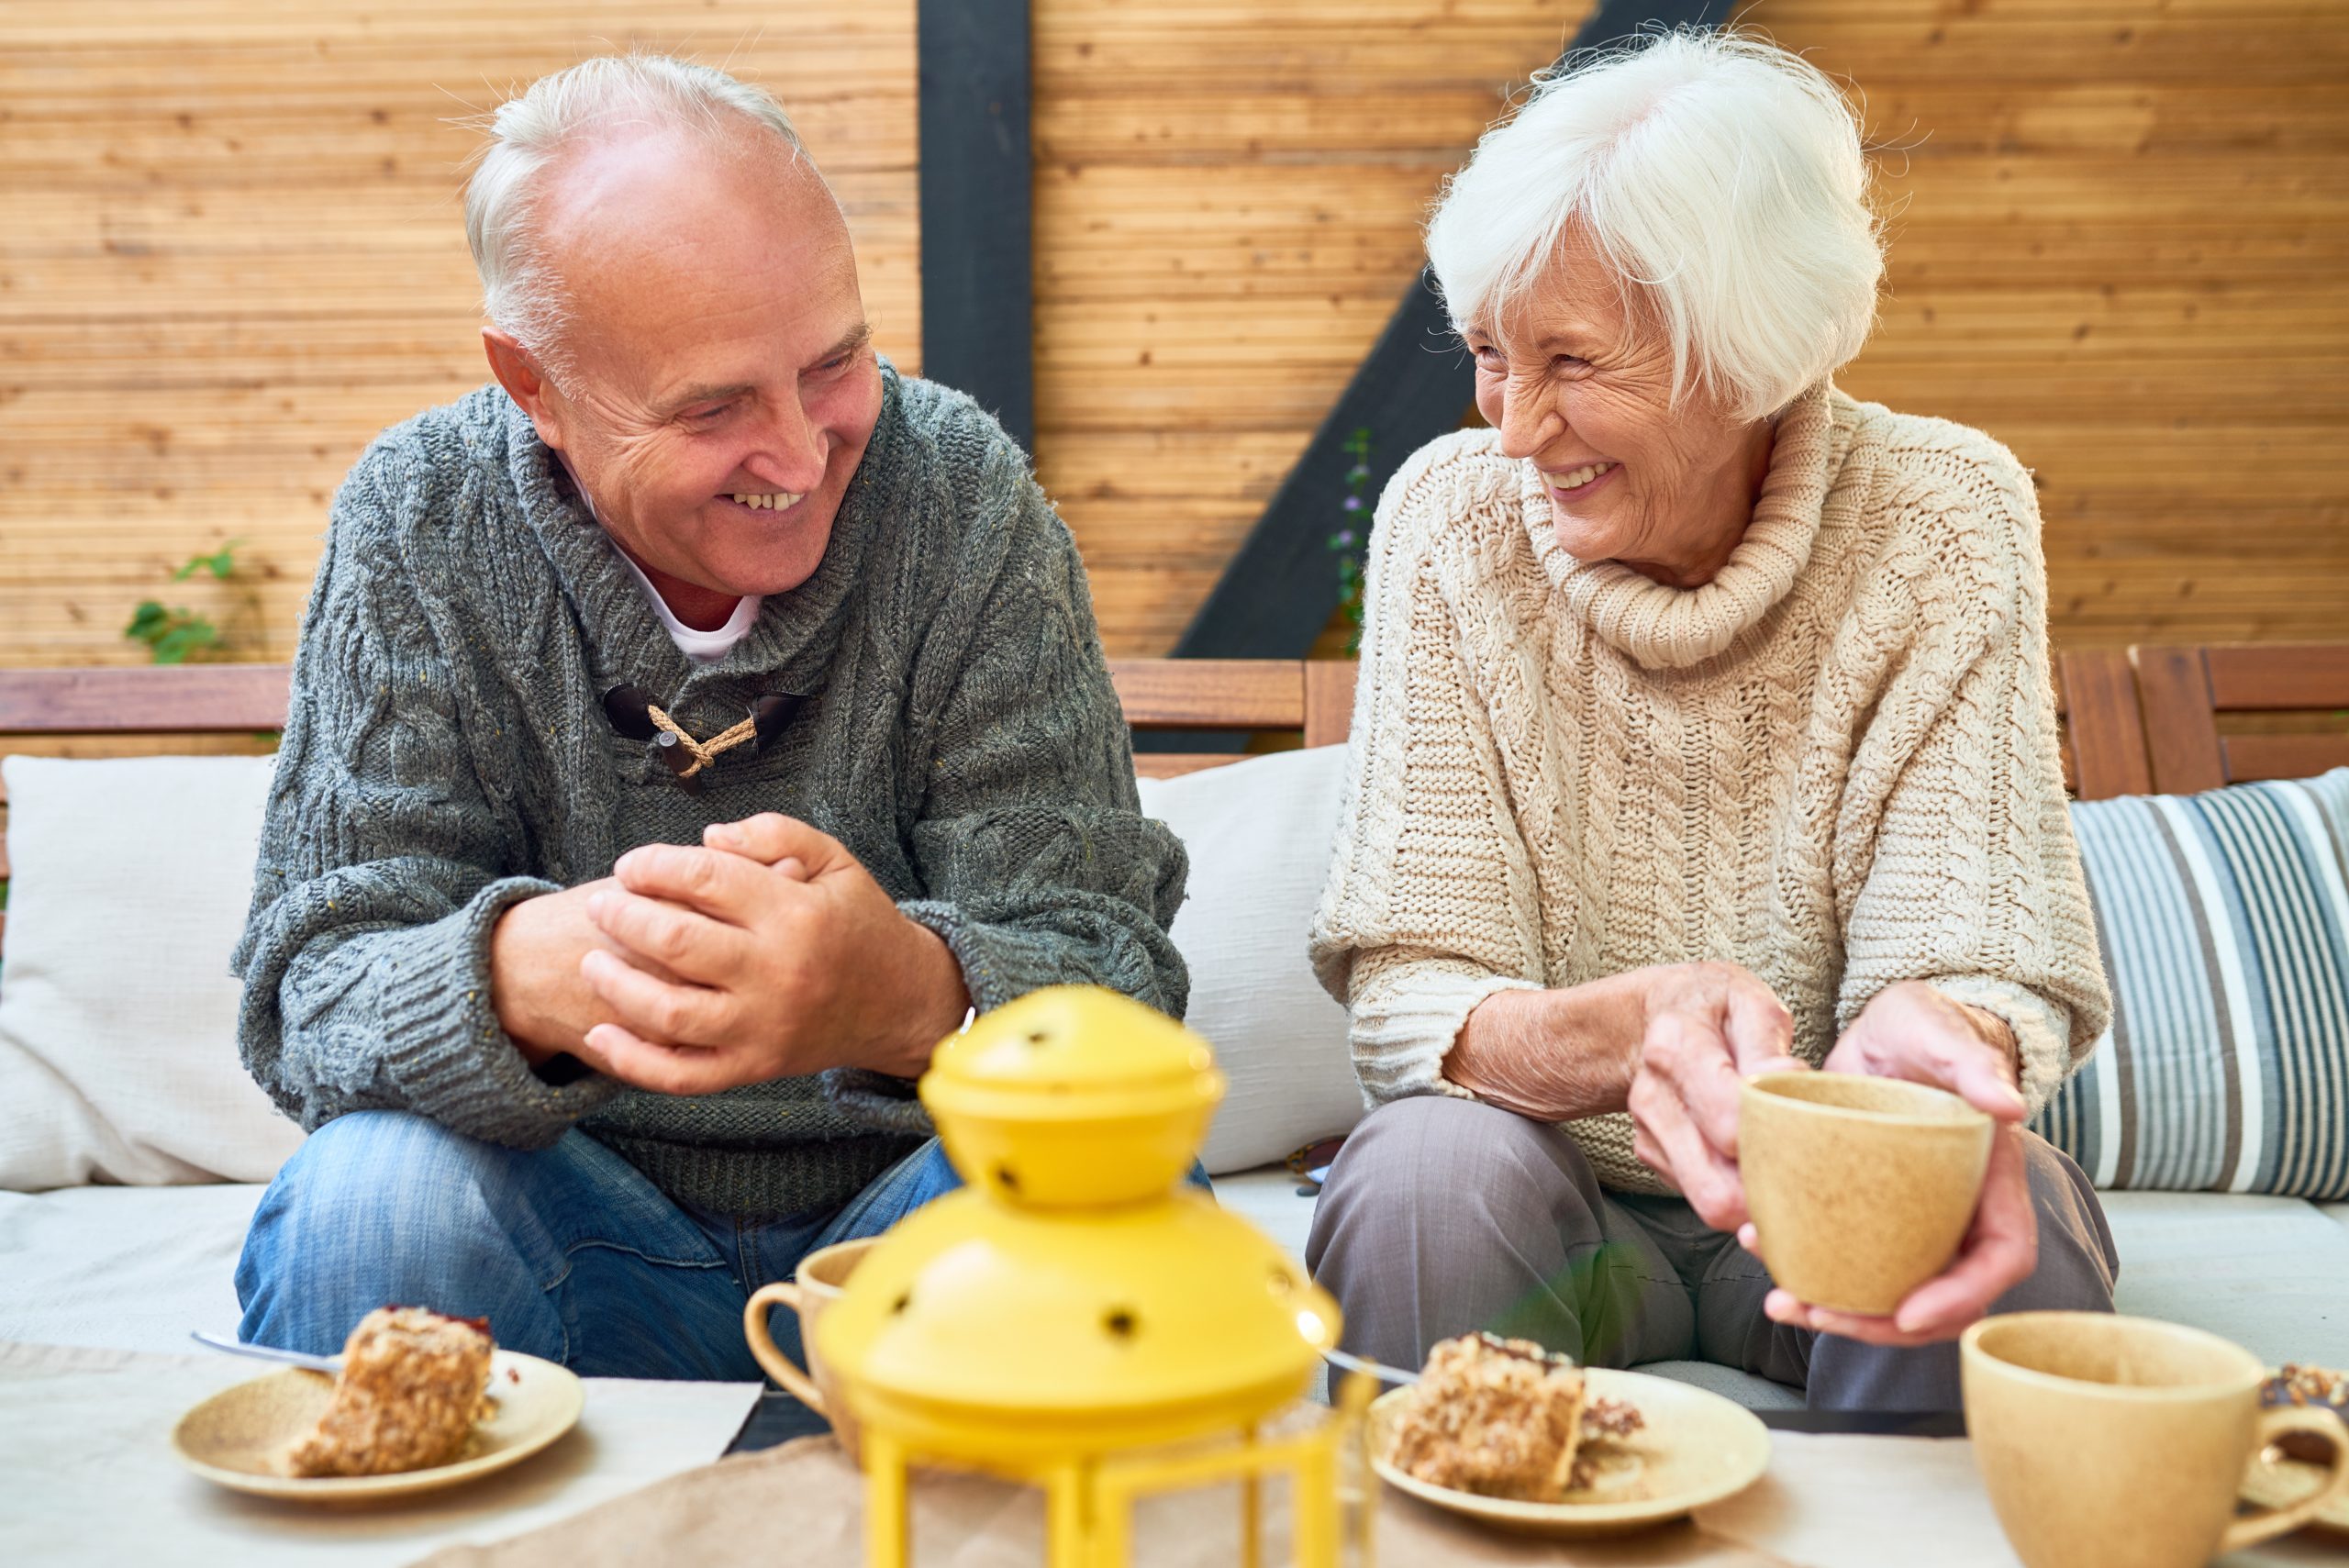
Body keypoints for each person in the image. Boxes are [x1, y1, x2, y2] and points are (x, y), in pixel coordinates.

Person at [231, 55, 1188, 1385]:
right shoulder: (420, 520)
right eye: (713, 406)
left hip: (911, 1257)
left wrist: (904, 996)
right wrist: (524, 974)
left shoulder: (963, 497)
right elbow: (310, 995)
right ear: (537, 385)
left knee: (1115, 1191)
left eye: (834, 361)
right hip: (558, 1231)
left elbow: (1123, 994)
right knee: (370, 1201)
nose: (800, 455)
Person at [1305, 30, 2117, 1411]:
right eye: (1496, 353)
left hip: (1826, 1200)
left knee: (2013, 1230)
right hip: (1546, 1203)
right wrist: (1625, 1032)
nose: (1512, 427)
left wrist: (1945, 1040)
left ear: (1748, 353)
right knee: (1424, 1180)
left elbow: (1975, 948)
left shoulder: (1946, 520)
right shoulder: (1449, 525)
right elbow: (1412, 995)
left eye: (1572, 359)